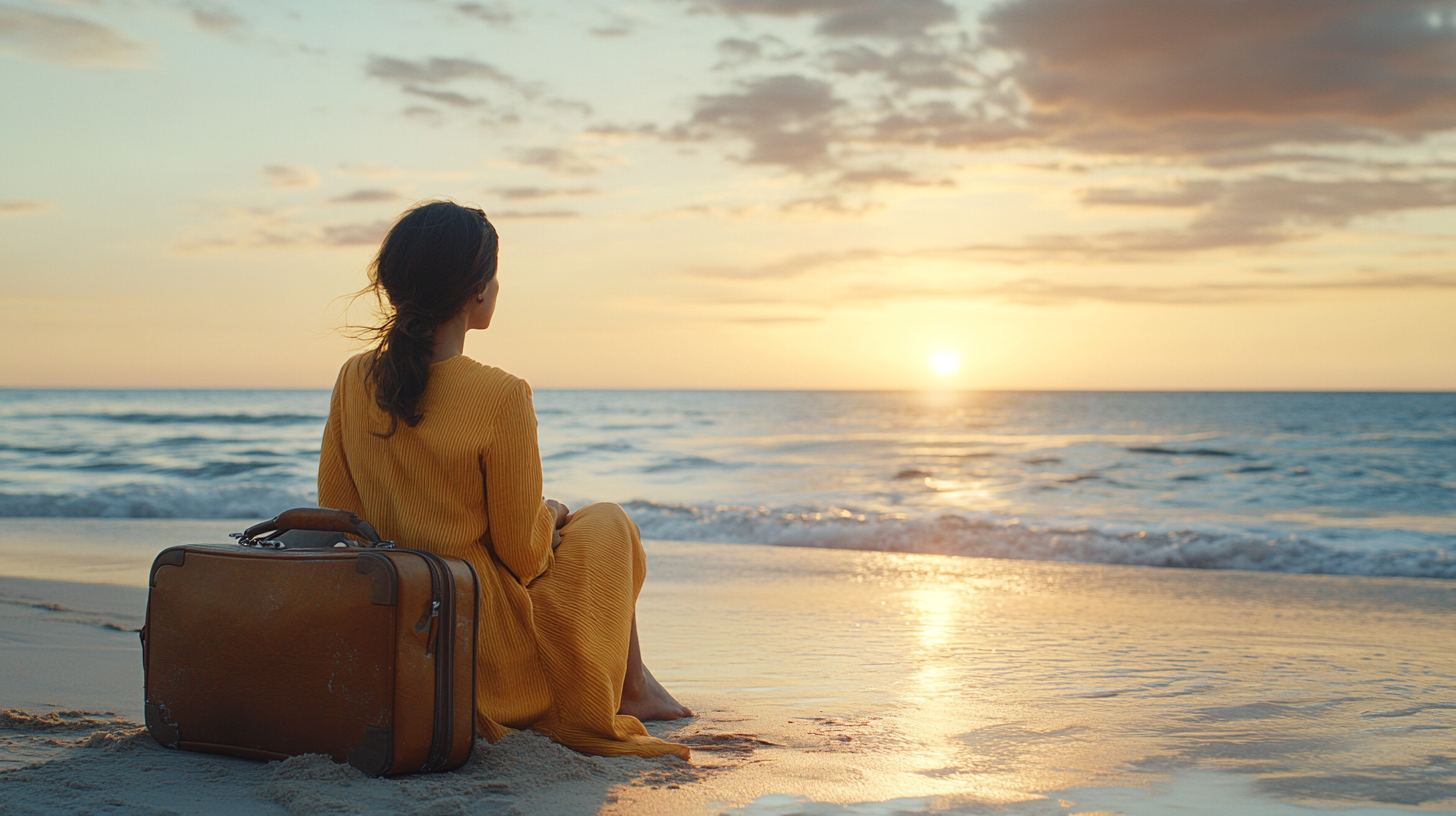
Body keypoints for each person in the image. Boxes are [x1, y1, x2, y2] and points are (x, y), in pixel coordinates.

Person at [317, 200, 692, 760]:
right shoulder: (501, 394)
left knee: (588, 523)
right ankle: (632, 688)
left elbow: (340, 520)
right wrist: (553, 512)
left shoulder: (354, 378)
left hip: (398, 631)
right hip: (486, 652)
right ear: (477, 290)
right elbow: (524, 555)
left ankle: (637, 686)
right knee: (609, 521)